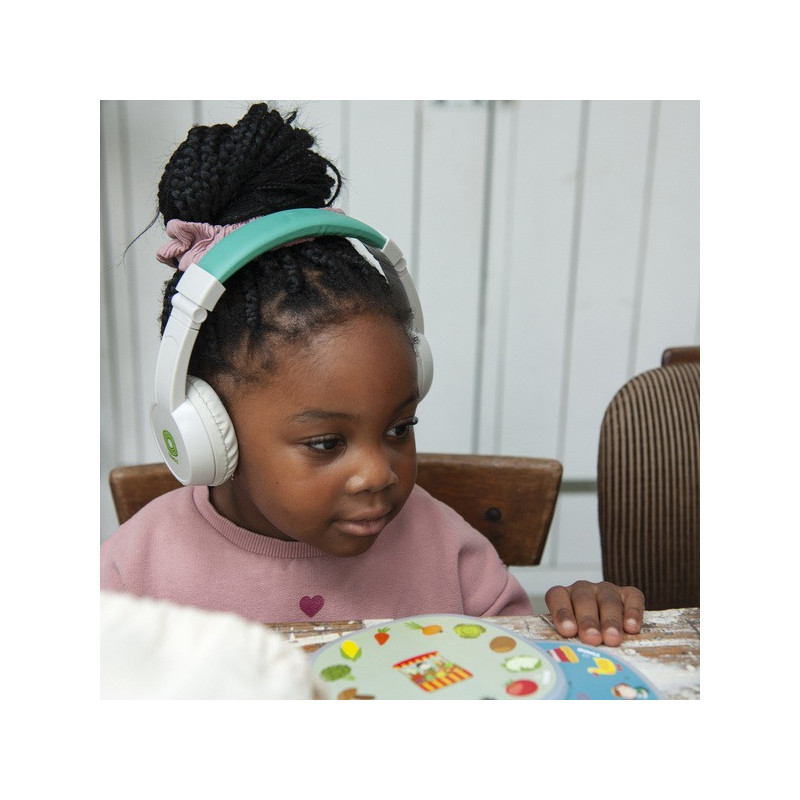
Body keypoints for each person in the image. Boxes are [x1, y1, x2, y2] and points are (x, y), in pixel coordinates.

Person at [101, 103, 644, 648]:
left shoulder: (447, 552)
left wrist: (576, 622)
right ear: (207, 433)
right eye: (326, 443)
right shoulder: (130, 579)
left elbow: (515, 665)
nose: (379, 474)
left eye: (399, 428)